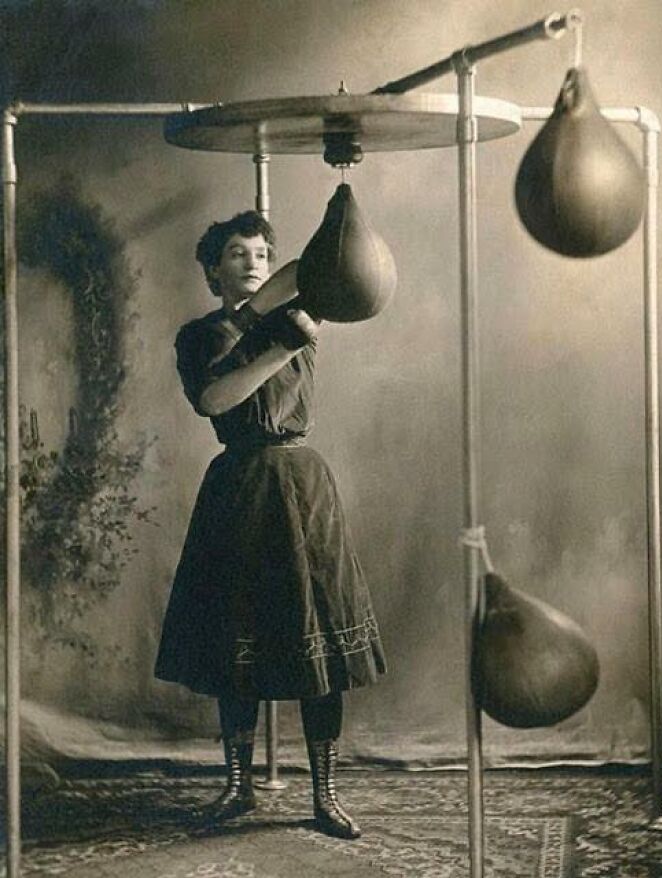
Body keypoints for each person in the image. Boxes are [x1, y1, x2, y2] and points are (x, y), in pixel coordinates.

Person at [154, 210, 386, 840]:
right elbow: (215, 399)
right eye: (236, 253)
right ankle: (237, 786)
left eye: (261, 251)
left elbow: (303, 275)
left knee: (318, 641)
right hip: (240, 488)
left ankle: (326, 795)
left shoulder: (296, 317)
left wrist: (329, 248)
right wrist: (283, 340)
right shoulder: (202, 336)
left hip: (302, 487)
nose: (252, 261)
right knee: (239, 641)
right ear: (211, 273)